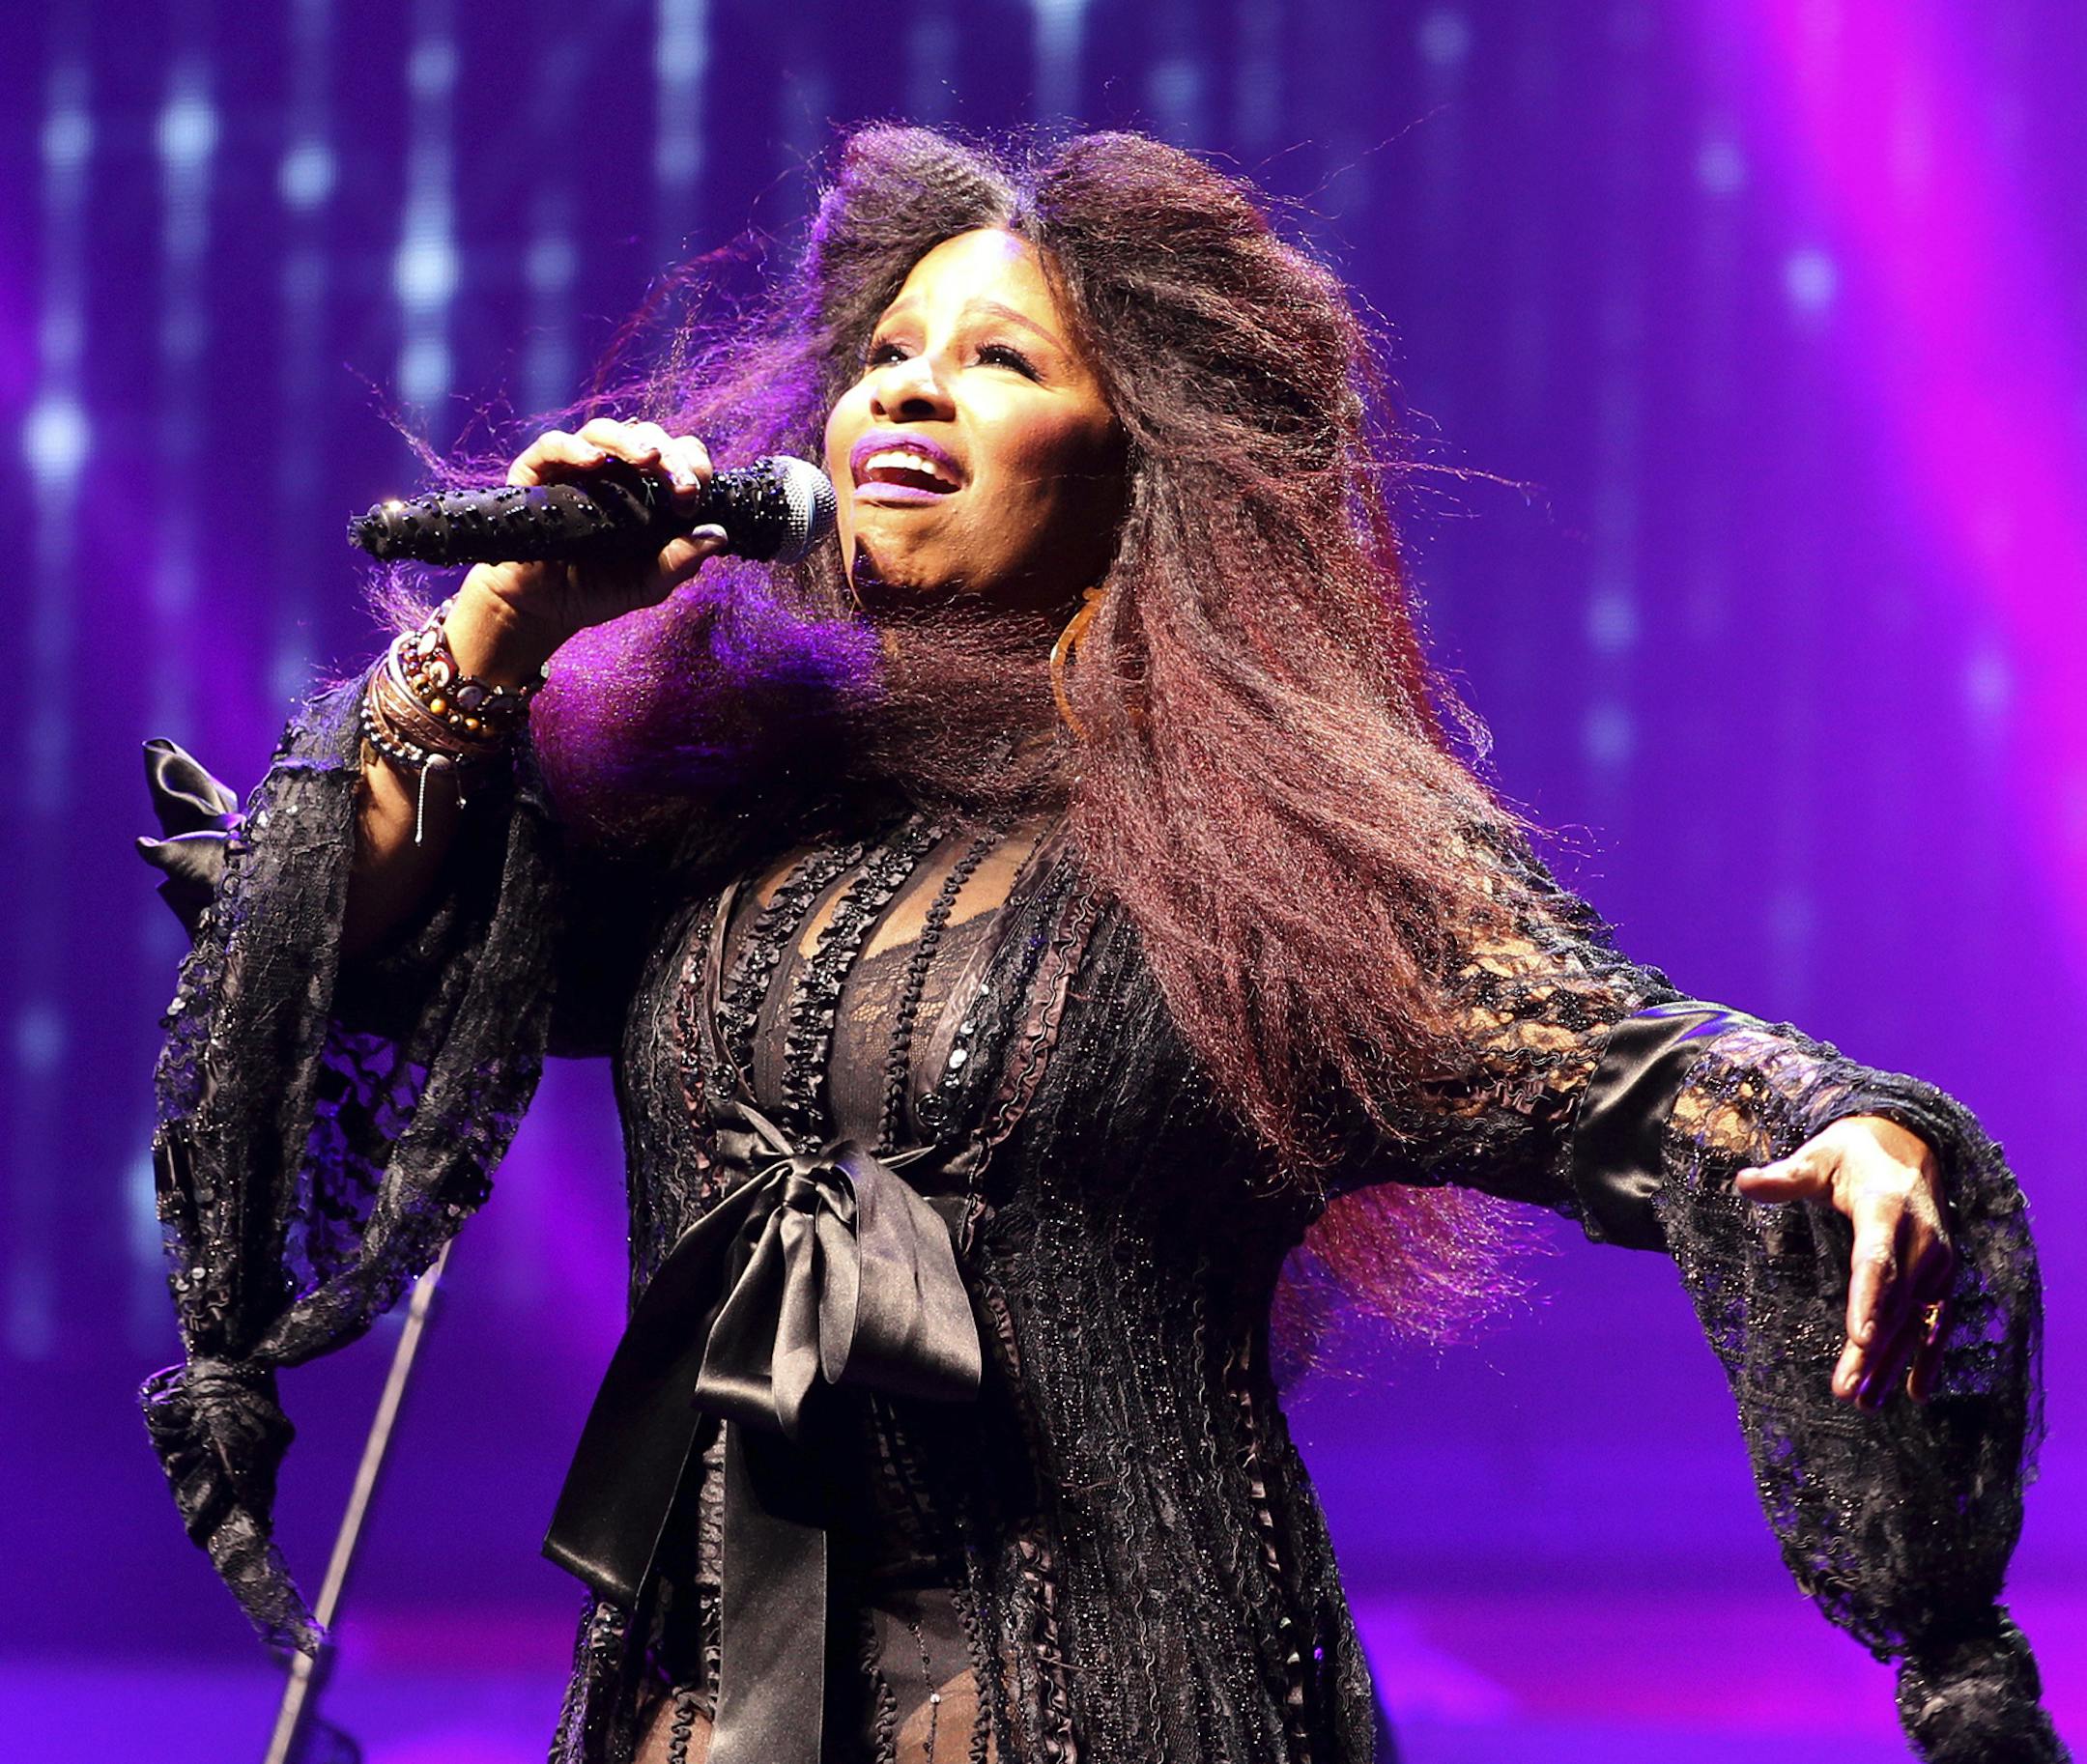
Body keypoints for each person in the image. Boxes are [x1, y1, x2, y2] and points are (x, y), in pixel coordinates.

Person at [137, 126, 2061, 1764]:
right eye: (887, 351)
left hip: (1124, 1697)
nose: (906, 387)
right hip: (709, 1702)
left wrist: (1845, 1124)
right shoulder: (721, 805)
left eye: (995, 360)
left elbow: (1615, 1057)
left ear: (1137, 464)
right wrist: (499, 624)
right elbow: (336, 946)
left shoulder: (1258, 861)